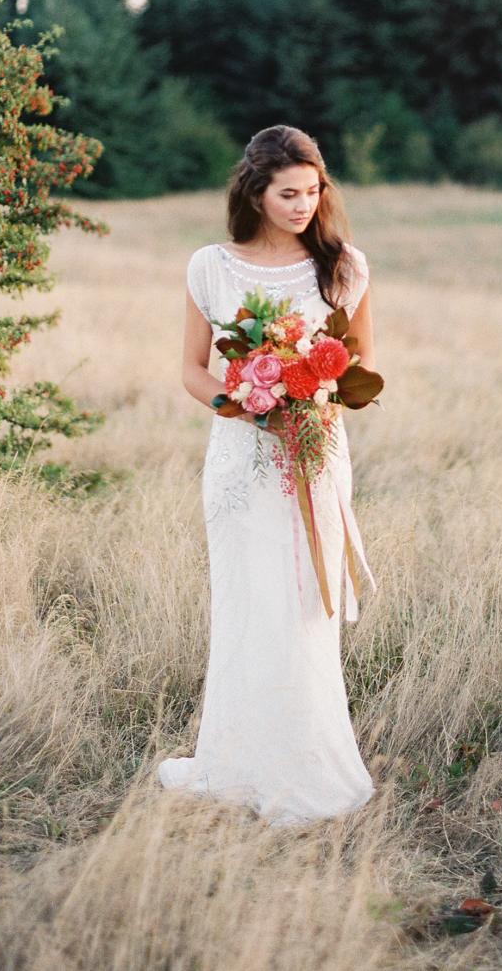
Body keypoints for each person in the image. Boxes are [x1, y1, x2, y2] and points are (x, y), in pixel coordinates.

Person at [157, 124, 379, 825]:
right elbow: (193, 370)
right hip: (240, 459)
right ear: (255, 192)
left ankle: (306, 766)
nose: (303, 205)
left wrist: (309, 391)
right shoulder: (211, 267)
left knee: (303, 610)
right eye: (288, 193)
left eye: (313, 192)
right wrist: (246, 404)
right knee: (248, 606)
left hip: (313, 456)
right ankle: (237, 763)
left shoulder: (342, 267)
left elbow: (359, 368)